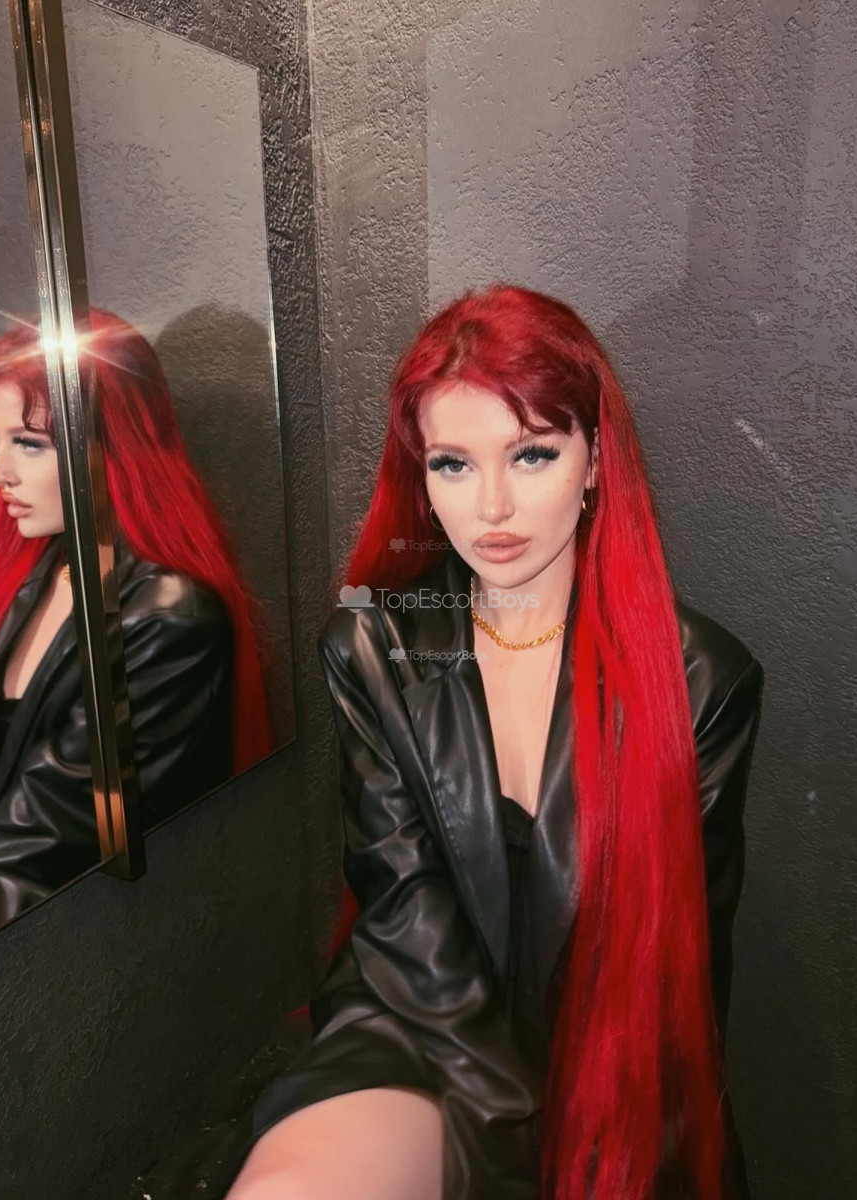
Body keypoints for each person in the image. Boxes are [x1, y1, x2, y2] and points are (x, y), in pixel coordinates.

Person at [228, 285, 764, 1200]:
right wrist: (509, 1125)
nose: (492, 506)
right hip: (419, 1018)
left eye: (532, 452)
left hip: (607, 1044)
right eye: (452, 464)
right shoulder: (373, 644)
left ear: (594, 463)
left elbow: (681, 959)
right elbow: (404, 906)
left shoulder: (701, 679)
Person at [0, 310, 274, 951]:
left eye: (29, 443)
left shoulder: (167, 621)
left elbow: (43, 844)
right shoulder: (37, 571)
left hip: (80, 954)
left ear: (113, 445)